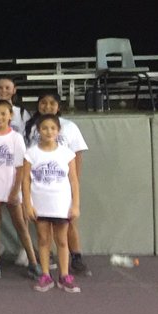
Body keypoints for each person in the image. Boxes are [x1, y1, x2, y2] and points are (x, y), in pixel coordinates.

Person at [24, 92, 91, 276]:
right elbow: (29, 158)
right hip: (41, 184)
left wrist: (74, 181)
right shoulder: (32, 128)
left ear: (58, 106)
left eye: (52, 103)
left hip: (62, 183)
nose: (47, 106)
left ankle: (75, 256)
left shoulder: (69, 127)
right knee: (43, 229)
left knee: (68, 224)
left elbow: (77, 155)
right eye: (43, 103)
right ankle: (48, 260)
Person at [23, 115, 81, 293]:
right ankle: (45, 275)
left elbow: (73, 181)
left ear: (58, 131)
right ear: (38, 131)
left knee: (62, 240)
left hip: (61, 204)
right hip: (40, 203)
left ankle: (64, 276)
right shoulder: (31, 153)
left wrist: (75, 205)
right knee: (43, 239)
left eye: (52, 128)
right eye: (45, 128)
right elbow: (25, 181)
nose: (49, 132)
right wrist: (28, 204)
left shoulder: (66, 153)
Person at [0, 100, 38, 279]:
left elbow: (20, 167)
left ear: (10, 116)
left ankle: (33, 262)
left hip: (11, 188)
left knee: (21, 225)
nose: (0, 117)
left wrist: (15, 191)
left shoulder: (15, 137)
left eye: (3, 114)